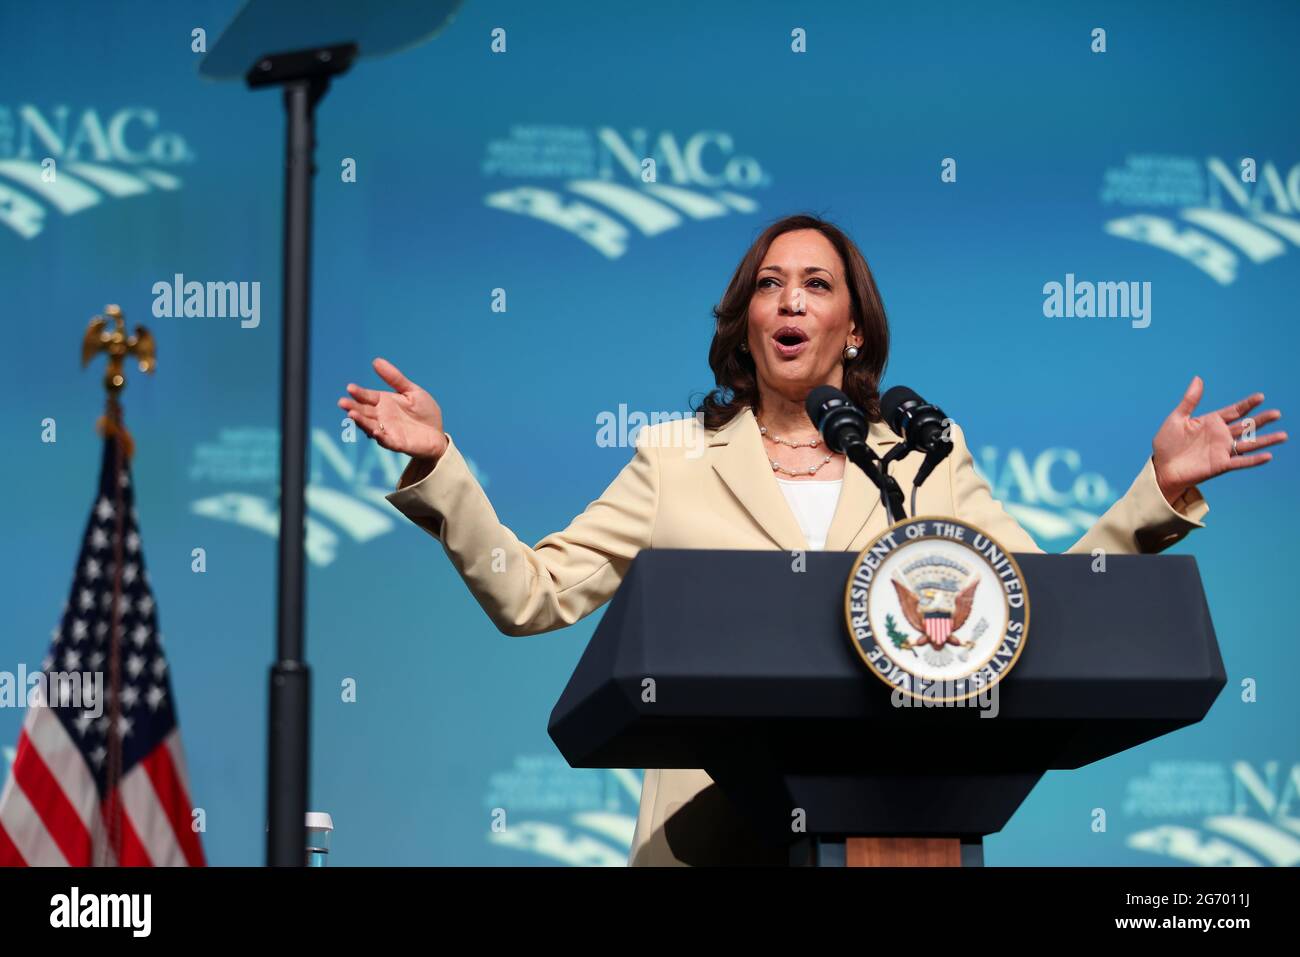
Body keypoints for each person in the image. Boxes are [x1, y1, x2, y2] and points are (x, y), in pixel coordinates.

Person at [338, 213, 1286, 866]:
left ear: (853, 332)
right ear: (745, 323)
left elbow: (1033, 603)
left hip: (901, 828)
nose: (790, 301)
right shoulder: (675, 459)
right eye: (769, 285)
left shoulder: (921, 460)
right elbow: (530, 594)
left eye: (816, 285)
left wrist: (1155, 491)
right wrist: (442, 468)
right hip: (709, 847)